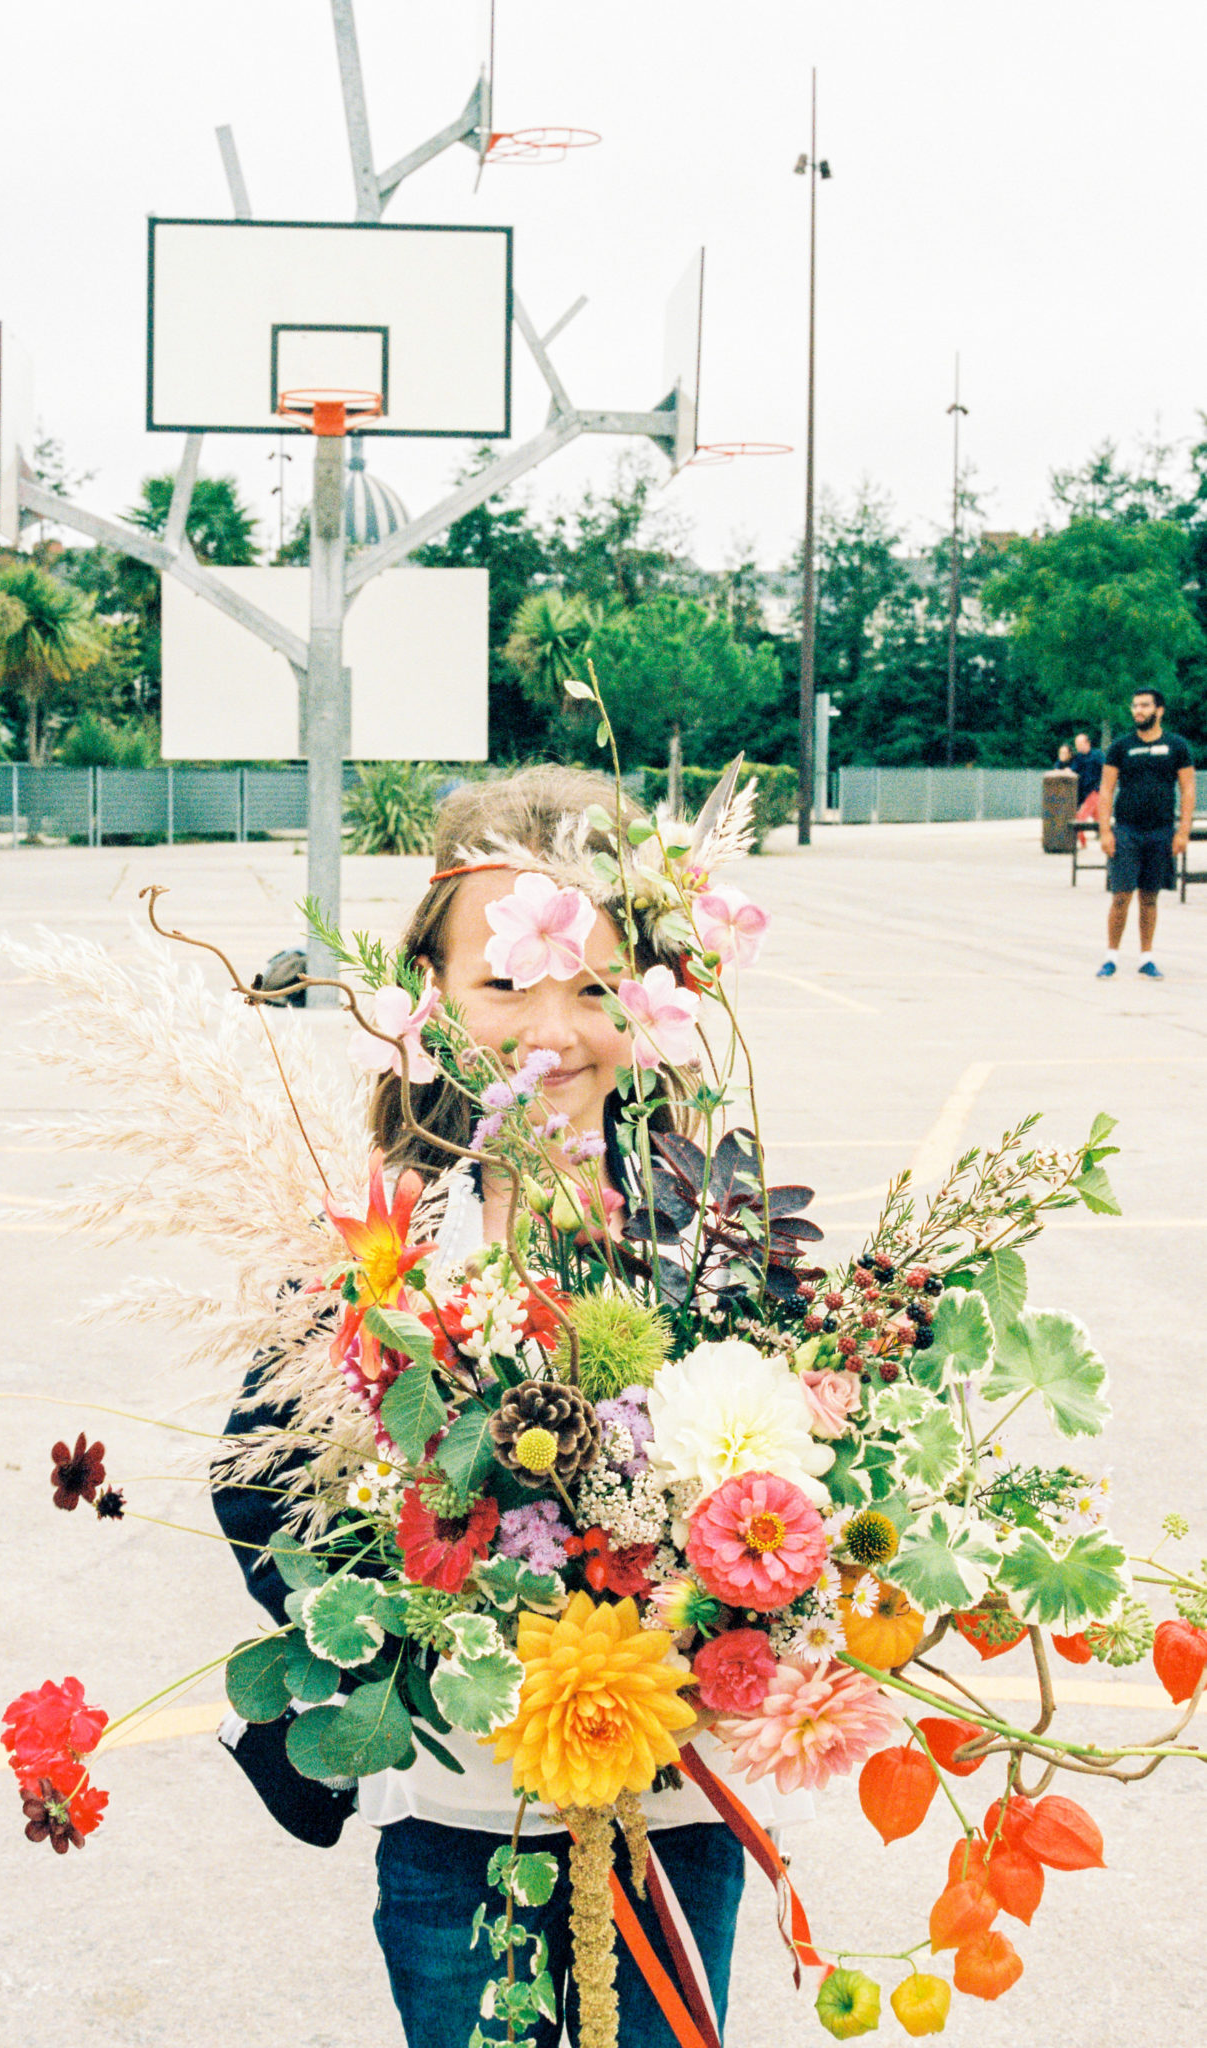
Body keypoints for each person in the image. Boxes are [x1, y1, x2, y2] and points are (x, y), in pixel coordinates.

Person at [214, 765, 808, 2048]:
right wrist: (413, 1622)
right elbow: (253, 1478)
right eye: (504, 983)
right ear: (426, 993)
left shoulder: (715, 1221)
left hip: (668, 1816)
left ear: (652, 999)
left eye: (596, 986)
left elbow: (800, 1472)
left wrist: (722, 1603)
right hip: (454, 1817)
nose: (553, 1027)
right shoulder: (374, 1231)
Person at [1095, 691, 1195, 978]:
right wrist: (1105, 831)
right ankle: (1111, 957)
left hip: (1161, 831)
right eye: (1135, 706)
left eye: (1145, 705)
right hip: (1126, 831)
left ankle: (1146, 958)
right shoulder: (1120, 747)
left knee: (1150, 897)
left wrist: (1183, 831)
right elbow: (1106, 789)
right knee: (1121, 895)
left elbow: (1187, 789)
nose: (1138, 711)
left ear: (1159, 710)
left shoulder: (1177, 746)